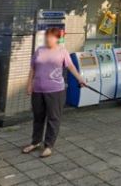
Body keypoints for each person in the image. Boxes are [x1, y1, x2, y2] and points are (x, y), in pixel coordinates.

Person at [22, 27, 86, 158]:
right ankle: (35, 142)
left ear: (57, 39)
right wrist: (29, 85)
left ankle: (48, 145)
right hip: (38, 90)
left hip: (56, 90)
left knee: (53, 118)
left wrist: (80, 79)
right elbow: (33, 69)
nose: (48, 39)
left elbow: (71, 66)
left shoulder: (62, 51)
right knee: (38, 117)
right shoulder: (39, 50)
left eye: (51, 37)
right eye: (47, 36)